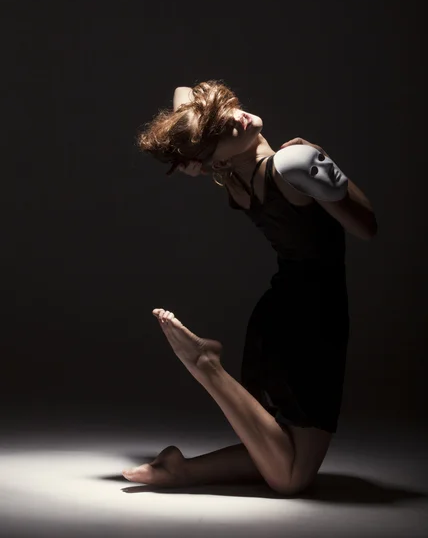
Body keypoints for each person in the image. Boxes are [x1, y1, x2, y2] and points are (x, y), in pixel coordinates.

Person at [122, 80, 378, 495]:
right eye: (219, 131)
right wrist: (321, 162)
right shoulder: (293, 163)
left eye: (223, 112)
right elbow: (367, 226)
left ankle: (180, 471)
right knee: (290, 477)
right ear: (212, 155)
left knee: (278, 450)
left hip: (278, 317)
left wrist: (193, 150)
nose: (234, 119)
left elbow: (184, 92)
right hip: (313, 321)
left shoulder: (236, 181)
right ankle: (206, 365)